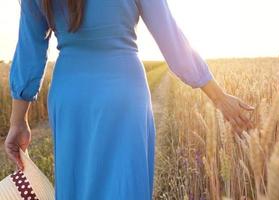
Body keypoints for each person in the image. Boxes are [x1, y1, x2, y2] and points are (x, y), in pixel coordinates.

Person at [5, 0, 254, 199]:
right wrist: (219, 97)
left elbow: (29, 50)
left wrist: (18, 122)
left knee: (77, 187)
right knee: (124, 186)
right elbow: (171, 38)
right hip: (123, 90)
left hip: (71, 96)